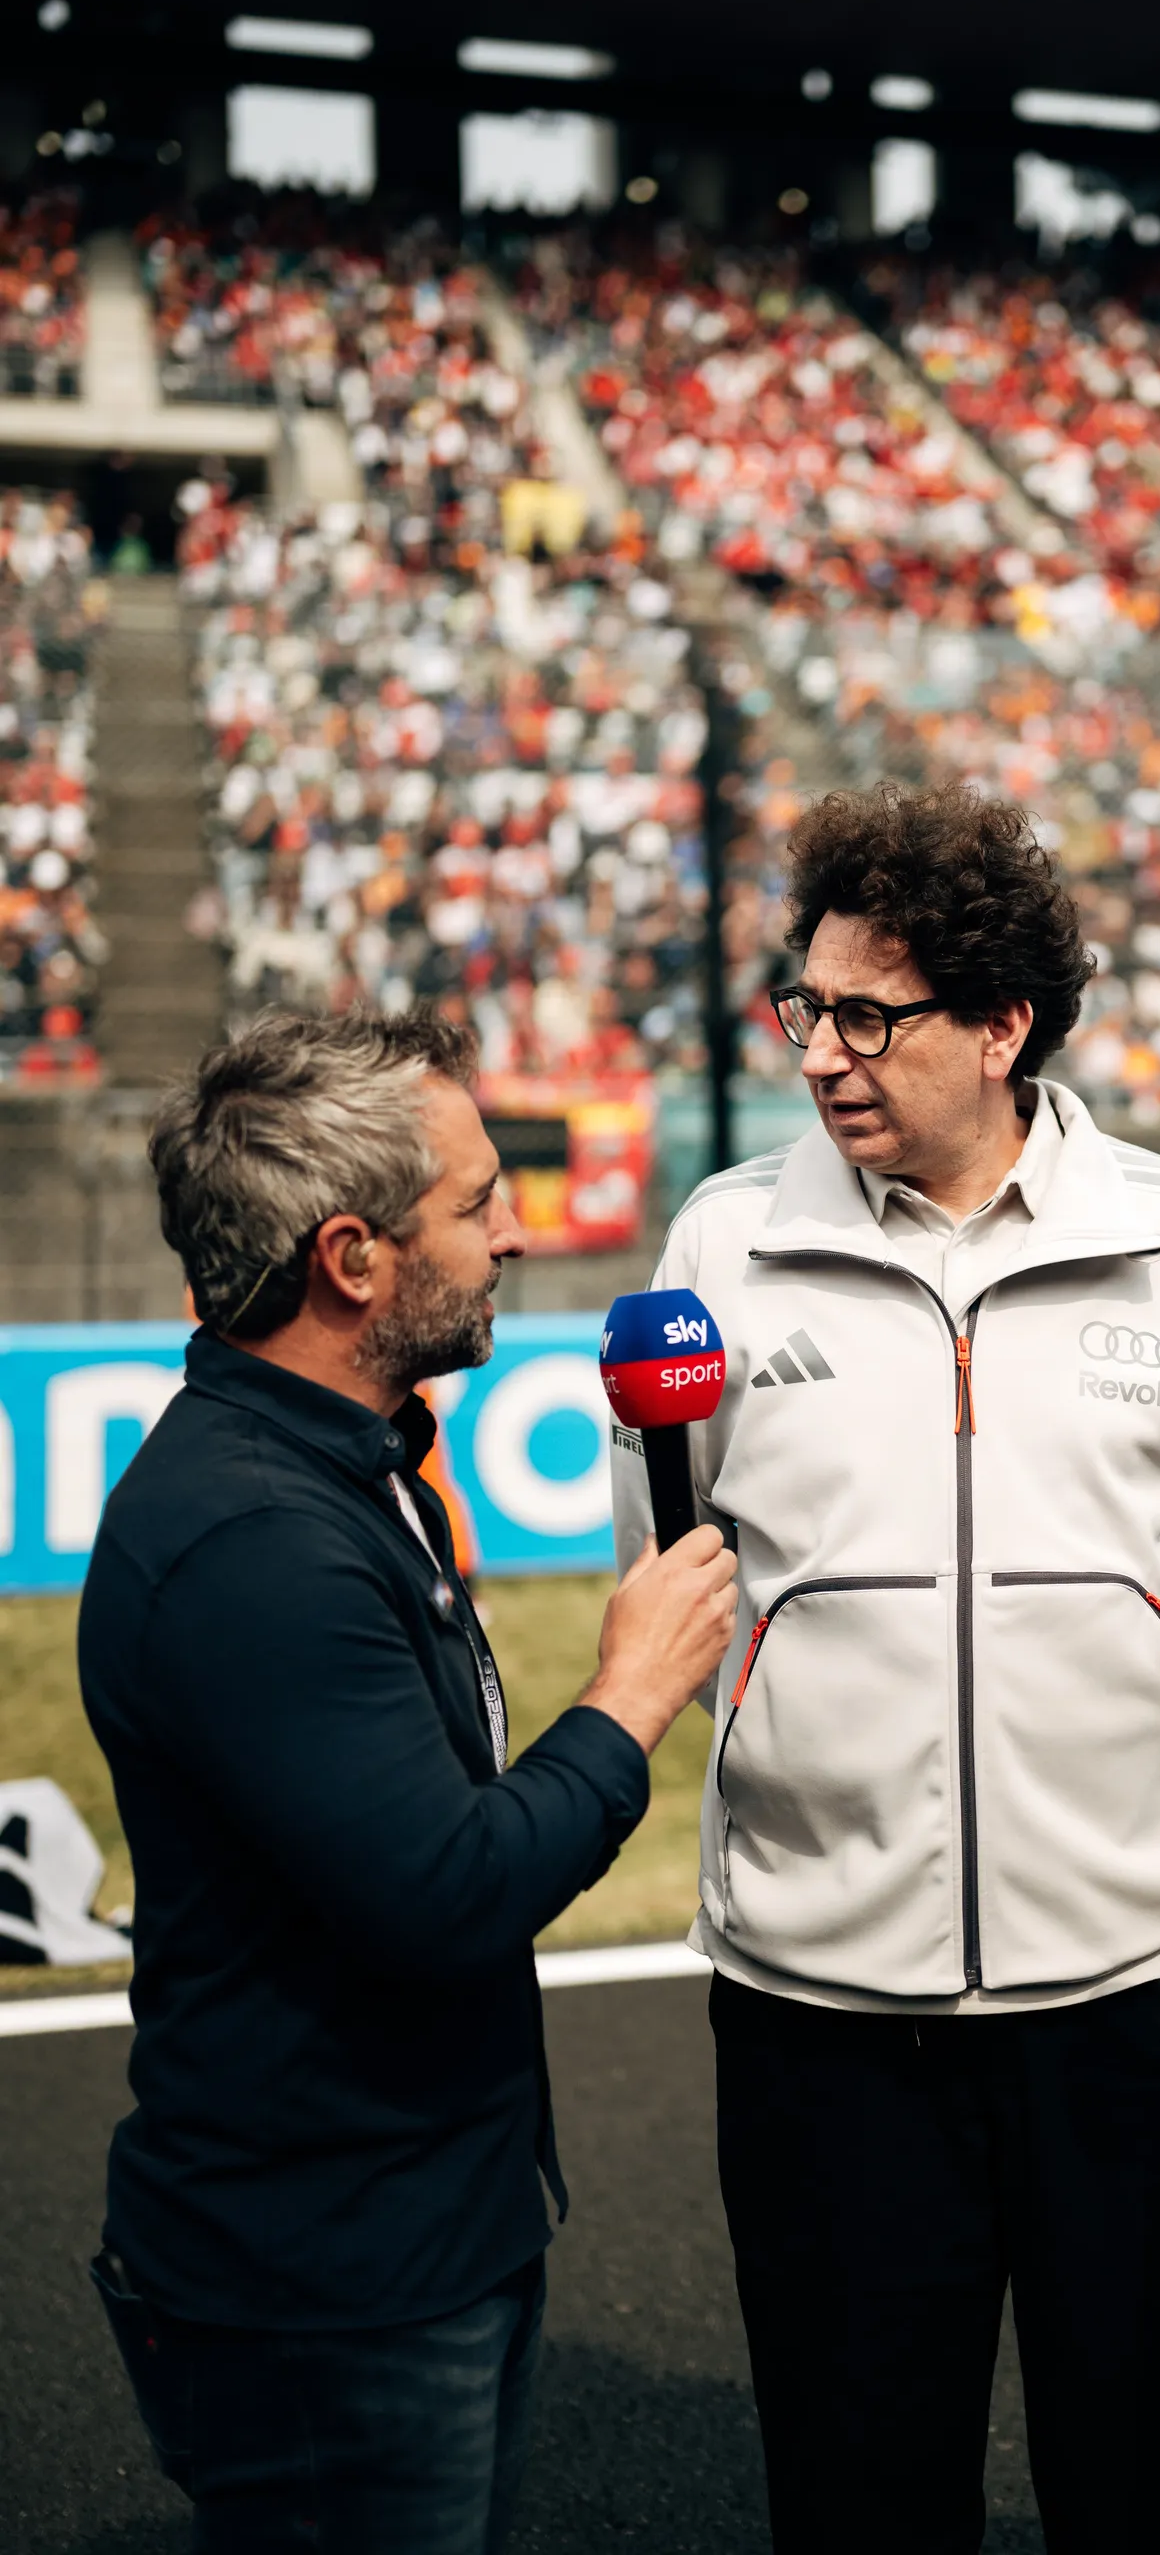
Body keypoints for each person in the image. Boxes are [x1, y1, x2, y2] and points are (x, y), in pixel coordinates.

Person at [612, 781, 1160, 2554]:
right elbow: (674, 1573)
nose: (825, 1053)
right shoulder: (722, 1245)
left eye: (872, 1015)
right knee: (860, 2505)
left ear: (1005, 1025)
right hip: (818, 2021)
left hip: (1123, 2006)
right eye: (806, 1007)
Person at [79, 1008, 738, 2553]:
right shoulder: (257, 1539)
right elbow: (451, 1890)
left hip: (398, 2238)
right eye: (477, 1201)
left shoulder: (346, 1464)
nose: (513, 1237)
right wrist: (630, 1695)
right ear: (353, 1258)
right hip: (326, 2285)